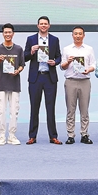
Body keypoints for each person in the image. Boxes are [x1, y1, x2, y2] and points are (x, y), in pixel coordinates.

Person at [24, 16, 63, 144]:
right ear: (38, 26)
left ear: (49, 25)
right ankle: (32, 136)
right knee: (34, 107)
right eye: (41, 24)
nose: (43, 25)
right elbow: (24, 57)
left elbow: (59, 57)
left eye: (45, 24)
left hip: (49, 77)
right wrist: (31, 51)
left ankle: (53, 136)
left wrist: (55, 62)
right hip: (35, 78)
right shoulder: (31, 39)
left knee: (50, 108)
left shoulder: (54, 40)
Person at [60, 26, 96, 144]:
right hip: (71, 81)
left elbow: (93, 64)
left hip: (85, 81)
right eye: (76, 34)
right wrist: (68, 61)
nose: (78, 36)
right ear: (72, 35)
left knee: (84, 109)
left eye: (80, 34)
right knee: (70, 109)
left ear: (84, 35)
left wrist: (88, 69)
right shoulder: (67, 49)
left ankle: (84, 134)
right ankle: (70, 135)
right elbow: (62, 66)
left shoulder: (89, 49)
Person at [0, 23, 25, 145]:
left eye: (9, 32)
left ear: (13, 33)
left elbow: (22, 65)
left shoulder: (19, 49)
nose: (7, 34)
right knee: (0, 110)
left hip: (14, 84)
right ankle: (1, 135)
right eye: (5, 32)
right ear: (3, 34)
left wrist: (18, 71)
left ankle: (12, 135)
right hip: (1, 84)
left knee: (14, 111)